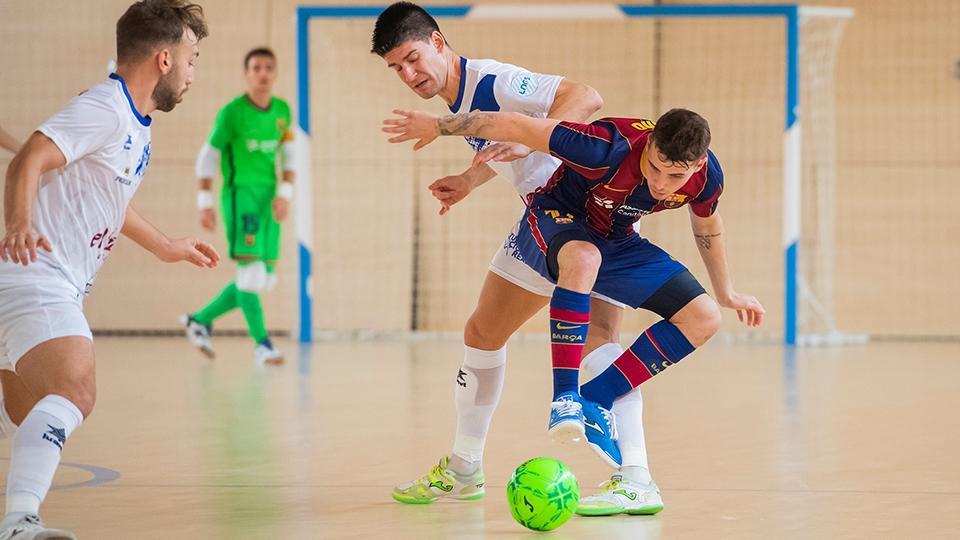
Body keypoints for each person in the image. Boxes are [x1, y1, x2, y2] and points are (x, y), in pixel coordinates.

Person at [384, 106, 765, 516]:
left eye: (674, 177)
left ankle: (594, 402)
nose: (659, 184)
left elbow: (707, 224)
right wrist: (438, 127)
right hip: (557, 219)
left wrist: (726, 292)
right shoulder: (604, 146)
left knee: (704, 317)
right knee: (535, 294)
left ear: (699, 163)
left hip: (616, 240)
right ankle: (562, 398)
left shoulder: (706, 177)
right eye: (654, 168)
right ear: (649, 143)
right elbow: (515, 124)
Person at [373, 2, 662, 513]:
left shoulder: (493, 81)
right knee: (483, 332)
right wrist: (468, 180)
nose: (409, 74)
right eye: (397, 68)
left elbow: (584, 97)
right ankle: (465, 468)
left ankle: (636, 476)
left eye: (414, 58)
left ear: (439, 42)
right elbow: (509, 146)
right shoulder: (464, 98)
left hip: (584, 210)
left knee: (599, 339)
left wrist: (533, 140)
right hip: (546, 217)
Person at [0, 2, 212, 537]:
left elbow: (107, 197)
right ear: (164, 59)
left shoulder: (133, 122)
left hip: (36, 282)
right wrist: (20, 224)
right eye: (192, 58)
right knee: (75, 390)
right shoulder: (105, 109)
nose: (193, 72)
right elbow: (27, 160)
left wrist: (164, 245)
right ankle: (20, 524)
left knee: (25, 416)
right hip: (37, 275)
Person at [181, 47, 294, 366]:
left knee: (263, 279)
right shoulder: (232, 113)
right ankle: (263, 345)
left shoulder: (282, 111)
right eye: (256, 67)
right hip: (240, 195)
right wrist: (205, 202)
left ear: (275, 73)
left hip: (269, 198)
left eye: (268, 67)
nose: (262, 73)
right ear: (246, 74)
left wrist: (285, 193)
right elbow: (208, 157)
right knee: (249, 275)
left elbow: (289, 155)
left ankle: (200, 319)